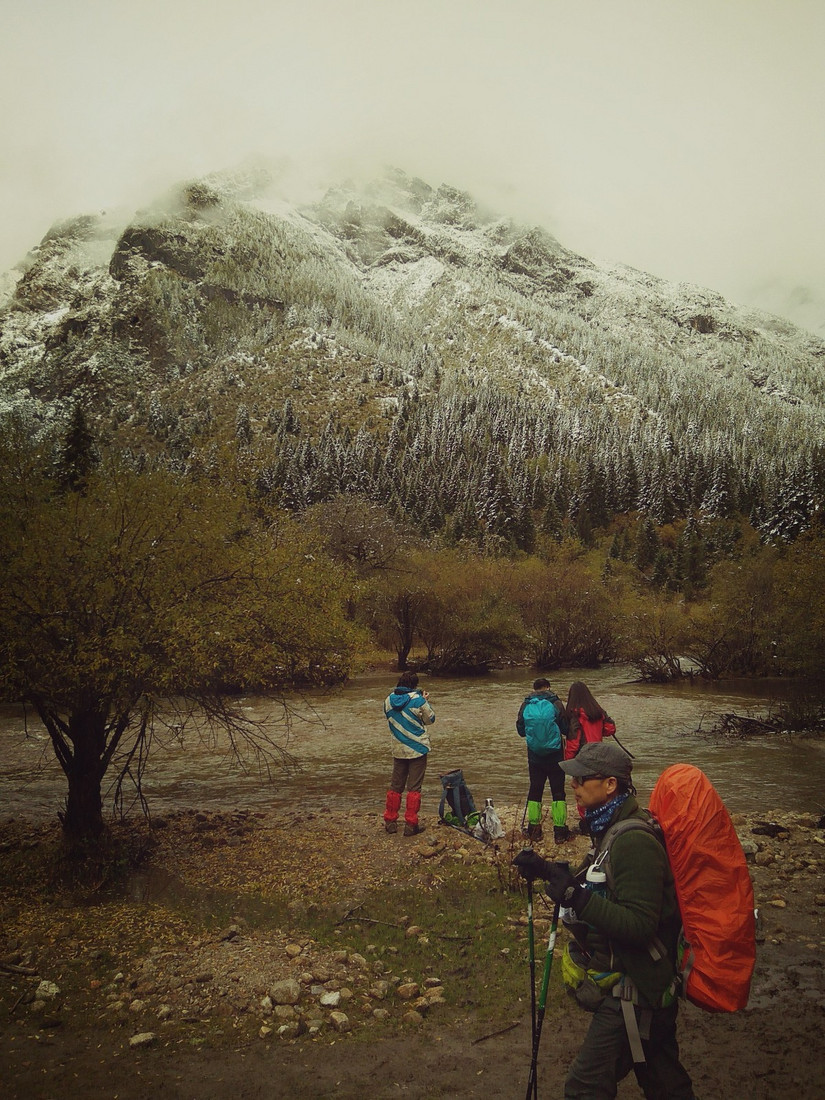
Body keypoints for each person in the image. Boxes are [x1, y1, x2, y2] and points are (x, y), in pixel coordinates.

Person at [513, 741, 695, 1099]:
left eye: (582, 778)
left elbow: (640, 924)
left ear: (610, 784)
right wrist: (546, 870)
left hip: (636, 992)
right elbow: (600, 887)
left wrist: (574, 897)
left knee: (584, 1088)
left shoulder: (633, 841)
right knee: (665, 1085)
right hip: (646, 989)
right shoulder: (610, 828)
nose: (574, 785)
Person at [516, 677, 571, 844]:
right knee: (558, 791)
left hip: (534, 755)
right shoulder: (555, 702)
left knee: (535, 789)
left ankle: (534, 830)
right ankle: (560, 831)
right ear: (548, 687)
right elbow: (565, 728)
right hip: (555, 754)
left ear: (534, 688)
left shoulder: (526, 704)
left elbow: (520, 730)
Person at [382, 672, 435, 837]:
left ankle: (390, 822)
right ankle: (411, 825)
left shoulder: (388, 700)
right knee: (414, 788)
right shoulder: (418, 700)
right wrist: (424, 700)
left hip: (398, 749)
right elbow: (430, 719)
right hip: (417, 748)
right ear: (414, 684)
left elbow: (390, 715)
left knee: (395, 786)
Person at [564, 681, 617, 829]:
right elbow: (610, 728)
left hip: (583, 756)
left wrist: (568, 760)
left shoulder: (575, 714)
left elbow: (574, 741)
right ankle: (600, 817)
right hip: (599, 753)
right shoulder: (597, 710)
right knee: (598, 789)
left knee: (582, 790)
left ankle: (586, 822)